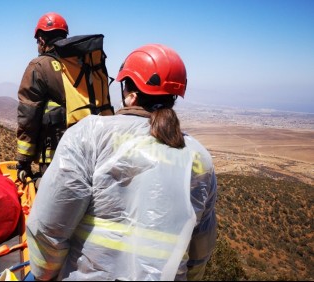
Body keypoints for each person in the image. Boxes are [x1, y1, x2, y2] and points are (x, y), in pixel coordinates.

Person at [26, 44, 217, 281]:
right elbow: (201, 250)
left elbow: (47, 227)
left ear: (130, 94)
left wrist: (44, 275)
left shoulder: (89, 134)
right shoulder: (200, 158)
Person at [16, 12, 70, 184]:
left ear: (41, 40)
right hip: (86, 151)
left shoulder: (39, 66)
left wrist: (23, 161)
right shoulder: (79, 65)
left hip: (54, 154)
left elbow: (28, 116)